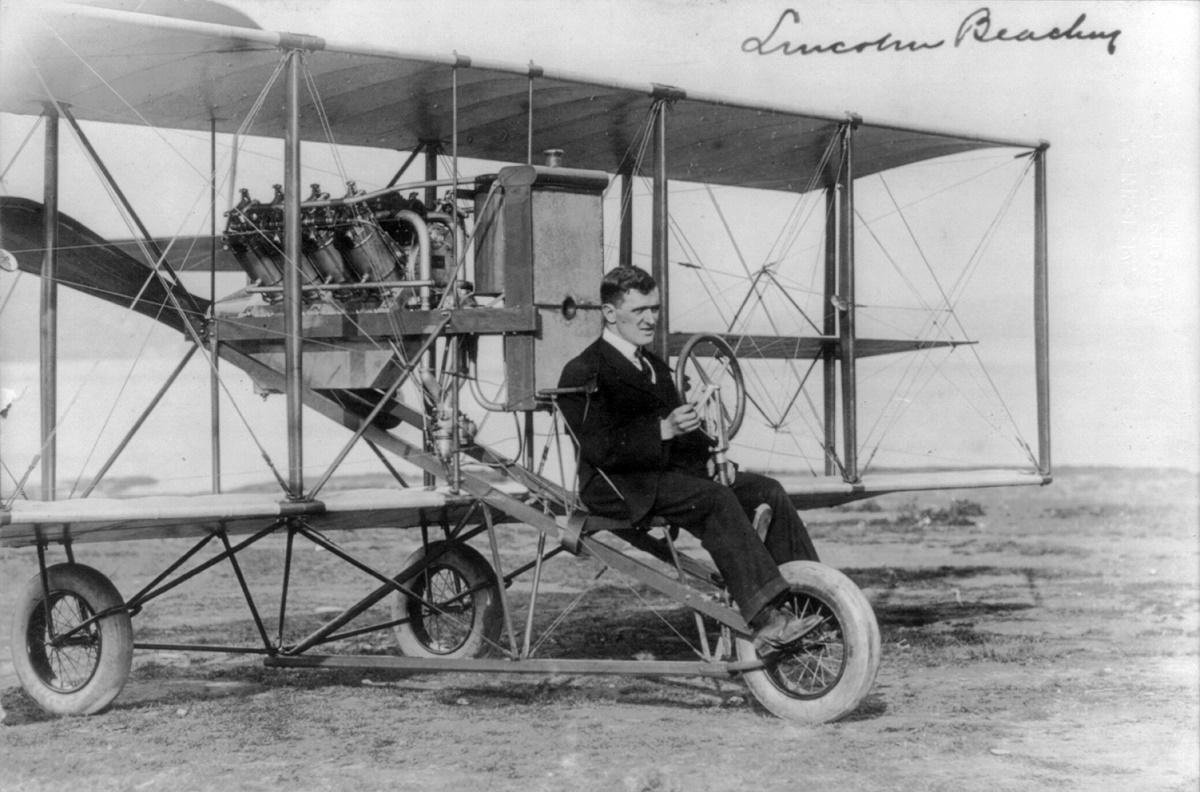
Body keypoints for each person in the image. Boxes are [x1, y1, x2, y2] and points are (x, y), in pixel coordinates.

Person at [556, 265, 822, 656]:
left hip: (663, 479)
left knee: (768, 489)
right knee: (714, 501)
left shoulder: (654, 366)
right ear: (610, 313)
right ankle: (766, 621)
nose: (651, 319)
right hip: (617, 487)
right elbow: (599, 449)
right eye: (641, 310)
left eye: (656, 308)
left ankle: (811, 600)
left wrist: (713, 461)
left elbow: (685, 433)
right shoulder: (583, 370)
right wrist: (661, 430)